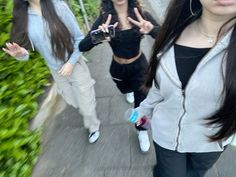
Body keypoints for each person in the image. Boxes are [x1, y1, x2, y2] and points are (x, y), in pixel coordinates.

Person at [134, 0, 236, 176]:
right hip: (166, 136)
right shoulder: (173, 31)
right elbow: (159, 87)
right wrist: (143, 111)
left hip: (211, 142)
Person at [2, 0, 101, 144]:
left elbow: (79, 38)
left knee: (86, 104)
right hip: (56, 70)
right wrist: (21, 54)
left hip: (74, 64)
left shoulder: (58, 6)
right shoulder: (24, 17)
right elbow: (27, 53)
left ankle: (93, 126)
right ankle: (87, 101)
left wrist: (70, 63)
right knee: (72, 100)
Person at [79, 0, 160, 153]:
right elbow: (82, 46)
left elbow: (165, 35)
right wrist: (98, 37)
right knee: (125, 90)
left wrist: (151, 30)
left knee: (141, 102)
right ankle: (128, 90)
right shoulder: (105, 19)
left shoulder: (140, 14)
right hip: (118, 68)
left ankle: (141, 130)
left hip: (140, 68)